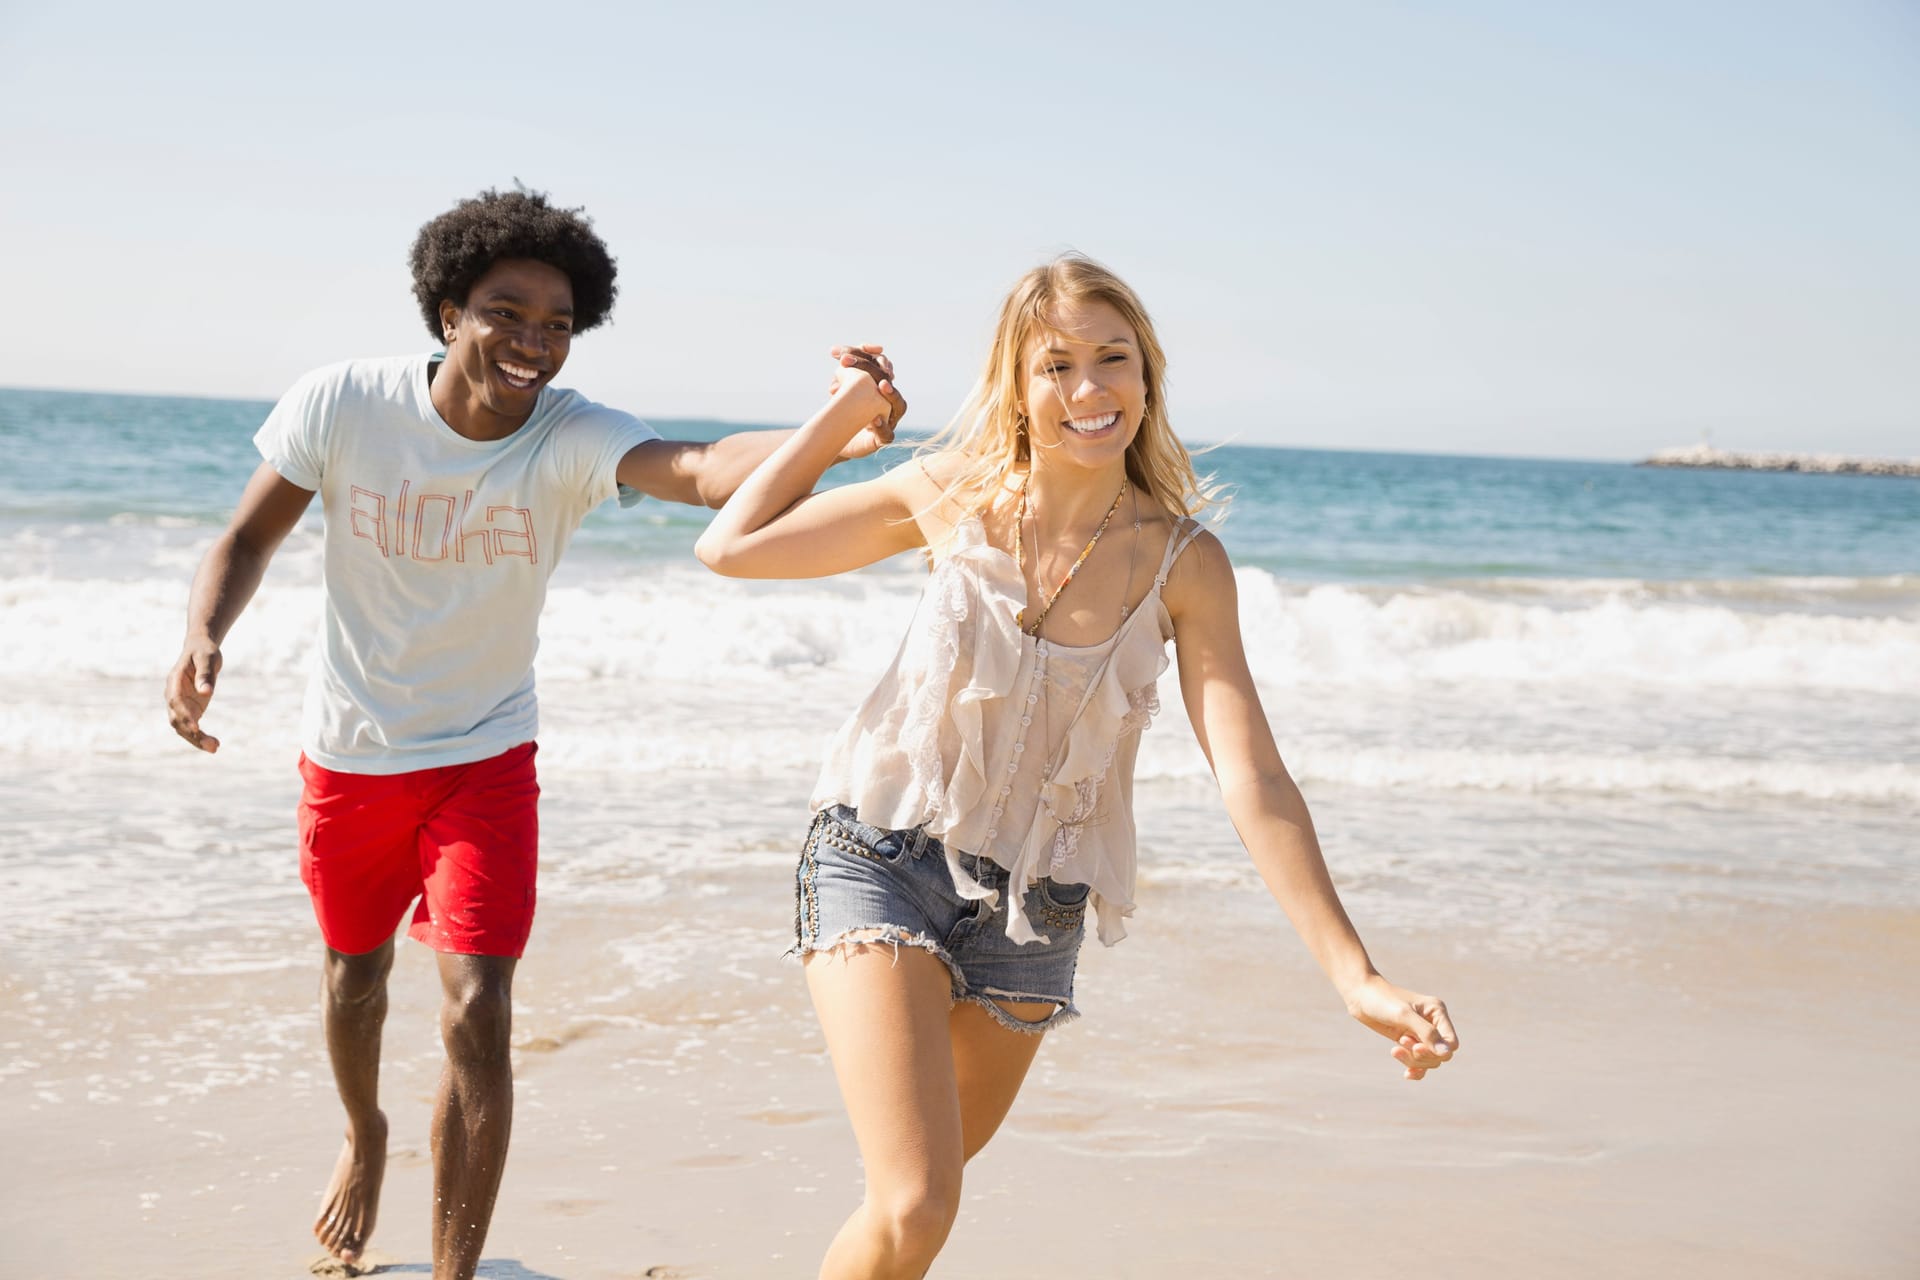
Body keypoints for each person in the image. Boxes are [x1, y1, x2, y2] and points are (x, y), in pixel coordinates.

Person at [161, 187, 902, 1280]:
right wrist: (202, 634)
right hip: (352, 756)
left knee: (479, 1009)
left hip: (485, 761)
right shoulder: (344, 402)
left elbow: (697, 469)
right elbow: (246, 532)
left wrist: (835, 429)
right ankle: (364, 1129)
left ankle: (454, 1274)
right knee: (353, 979)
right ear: (448, 308)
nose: (534, 342)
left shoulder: (567, 434)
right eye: (508, 312)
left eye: (557, 324)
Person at [696, 254, 1458, 1278]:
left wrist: (1354, 972)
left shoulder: (1185, 563)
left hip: (1035, 913)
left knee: (909, 1204)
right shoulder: (949, 489)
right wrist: (848, 416)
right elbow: (730, 544)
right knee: (918, 1199)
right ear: (1018, 384)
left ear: (1149, 377)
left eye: (1115, 359)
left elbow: (1255, 777)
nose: (1090, 389)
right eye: (1057, 364)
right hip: (881, 854)